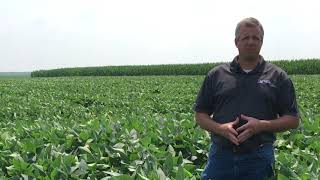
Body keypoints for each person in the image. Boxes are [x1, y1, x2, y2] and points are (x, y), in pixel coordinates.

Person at [193, 17, 299, 180]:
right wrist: (220, 128)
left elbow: (292, 119)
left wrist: (261, 125)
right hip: (221, 156)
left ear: (262, 42)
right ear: (236, 42)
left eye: (255, 38)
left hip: (259, 157)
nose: (251, 42)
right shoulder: (217, 75)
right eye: (245, 37)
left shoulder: (278, 76)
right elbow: (200, 115)